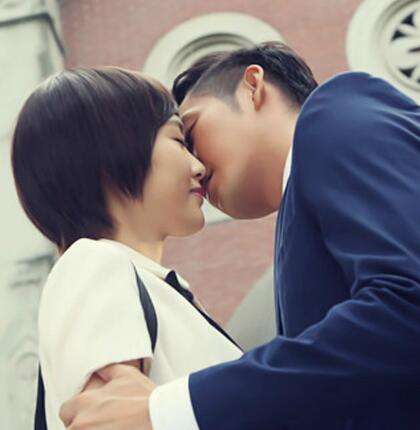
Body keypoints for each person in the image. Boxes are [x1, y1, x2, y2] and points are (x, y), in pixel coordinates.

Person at [59, 42, 420, 429]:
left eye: (190, 135)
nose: (194, 165)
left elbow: (407, 305)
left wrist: (167, 410)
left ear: (253, 86)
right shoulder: (301, 221)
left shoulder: (334, 114)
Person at [11, 67, 242, 429]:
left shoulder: (143, 282)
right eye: (178, 140)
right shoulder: (94, 264)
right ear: (110, 153)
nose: (199, 167)